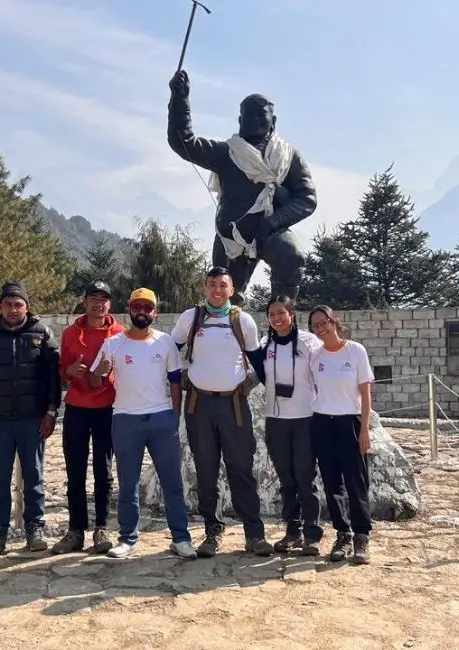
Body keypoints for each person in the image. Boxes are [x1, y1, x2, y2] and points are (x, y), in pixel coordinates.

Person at [167, 68, 318, 304]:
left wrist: (273, 222)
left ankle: (282, 315)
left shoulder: (289, 157)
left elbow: (307, 198)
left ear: (273, 121)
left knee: (291, 257)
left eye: (261, 116)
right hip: (231, 234)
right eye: (250, 116)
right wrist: (180, 99)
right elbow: (183, 142)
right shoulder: (226, 153)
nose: (256, 120)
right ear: (240, 121)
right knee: (225, 294)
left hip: (271, 231)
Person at [88, 288, 197, 560]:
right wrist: (100, 371)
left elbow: (175, 381)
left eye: (148, 308)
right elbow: (94, 381)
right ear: (129, 309)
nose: (142, 312)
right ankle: (127, 538)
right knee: (128, 483)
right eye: (137, 307)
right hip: (126, 419)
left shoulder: (165, 342)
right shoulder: (113, 343)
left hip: (161, 419)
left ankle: (181, 538)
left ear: (155, 313)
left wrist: (174, 416)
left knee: (172, 482)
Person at [171, 266, 272, 557]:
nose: (217, 290)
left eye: (222, 285)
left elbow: (258, 360)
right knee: (206, 469)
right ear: (205, 287)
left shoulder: (242, 320)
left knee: (241, 468)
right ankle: (212, 532)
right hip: (199, 405)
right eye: (212, 284)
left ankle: (254, 534)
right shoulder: (191, 317)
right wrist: (179, 378)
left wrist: (251, 383)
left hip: (233, 406)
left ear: (232, 289)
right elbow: (168, 350)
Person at [0, 281, 61, 557]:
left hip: (33, 419)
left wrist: (51, 412)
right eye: (8, 304)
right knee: (0, 479)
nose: (13, 309)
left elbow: (53, 377)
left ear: (27, 307)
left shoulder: (42, 334)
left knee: (34, 475)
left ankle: (35, 529)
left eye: (18, 304)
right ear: (0, 307)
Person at [51, 281, 125, 556]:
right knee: (75, 471)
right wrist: (69, 370)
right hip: (77, 408)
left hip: (107, 407)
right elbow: (61, 370)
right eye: (93, 298)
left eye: (103, 299)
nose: (98, 303)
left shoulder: (120, 334)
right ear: (85, 302)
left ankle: (101, 528)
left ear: (110, 304)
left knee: (103, 471)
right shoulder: (70, 333)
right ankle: (75, 530)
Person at [307, 305, 375, 565]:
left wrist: (364, 429)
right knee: (332, 482)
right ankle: (343, 534)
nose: (320, 328)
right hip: (322, 422)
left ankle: (361, 536)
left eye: (323, 322)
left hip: (350, 422)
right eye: (315, 325)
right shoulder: (315, 356)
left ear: (334, 321)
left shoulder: (355, 351)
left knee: (356, 481)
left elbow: (365, 393)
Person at [260, 295, 323, 555]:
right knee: (286, 478)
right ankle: (292, 531)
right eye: (272, 314)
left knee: (305, 477)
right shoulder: (265, 343)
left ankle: (312, 533)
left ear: (292, 314)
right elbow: (254, 372)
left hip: (305, 418)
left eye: (281, 313)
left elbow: (323, 372)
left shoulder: (310, 342)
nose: (276, 318)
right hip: (276, 419)